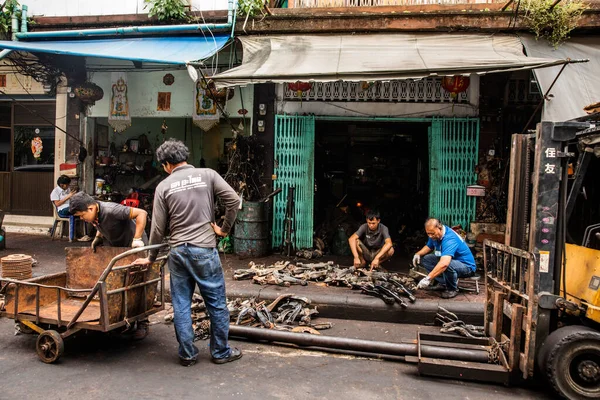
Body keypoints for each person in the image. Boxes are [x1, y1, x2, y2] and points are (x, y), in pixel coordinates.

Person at [133, 138, 242, 367]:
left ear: (166, 165)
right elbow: (233, 200)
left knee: (181, 304)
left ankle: (187, 354)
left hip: (178, 253)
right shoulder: (208, 174)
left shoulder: (163, 186)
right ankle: (220, 352)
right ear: (185, 158)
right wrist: (224, 229)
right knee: (216, 304)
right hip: (204, 249)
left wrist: (151, 258)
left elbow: (158, 229)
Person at [69, 191, 150, 339]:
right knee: (119, 282)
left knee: (138, 281)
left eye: (81, 215)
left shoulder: (112, 210)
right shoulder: (95, 214)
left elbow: (141, 213)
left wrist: (137, 238)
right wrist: (98, 237)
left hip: (133, 245)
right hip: (116, 246)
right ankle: (125, 320)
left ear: (91, 208)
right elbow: (100, 225)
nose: (82, 219)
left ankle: (143, 322)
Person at [412, 218, 476, 299]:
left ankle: (452, 289)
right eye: (428, 234)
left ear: (440, 228)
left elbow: (444, 263)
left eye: (432, 234)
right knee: (427, 259)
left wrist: (428, 278)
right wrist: (418, 254)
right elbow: (429, 246)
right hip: (452, 262)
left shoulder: (449, 238)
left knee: (446, 265)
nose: (430, 236)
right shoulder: (434, 234)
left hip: (467, 267)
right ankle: (443, 283)